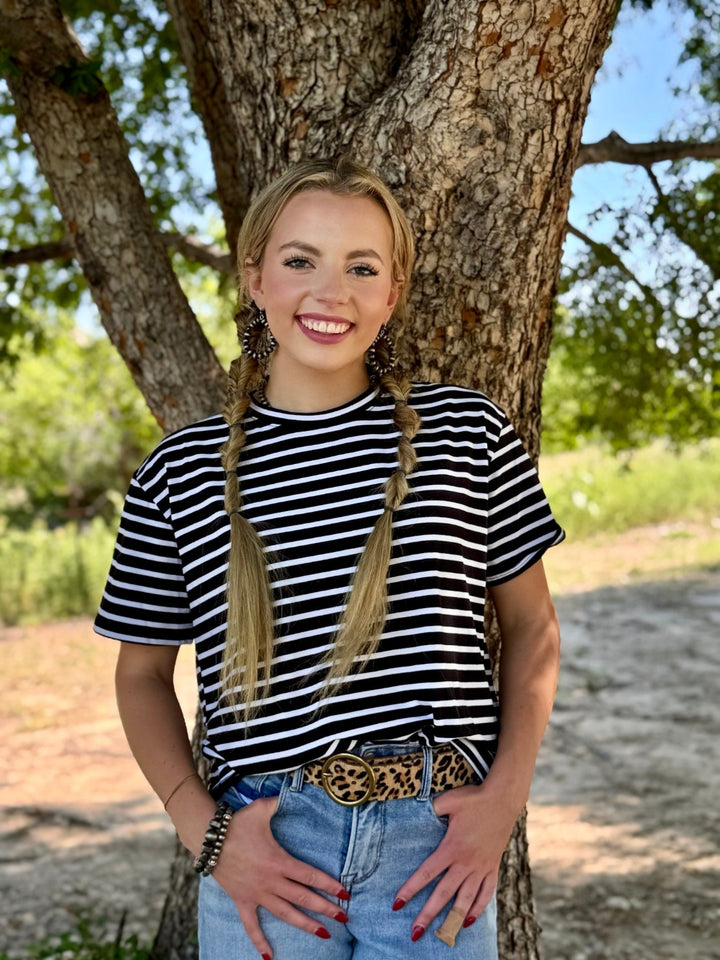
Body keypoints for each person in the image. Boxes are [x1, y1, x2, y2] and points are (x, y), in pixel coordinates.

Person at [94, 156, 564, 960]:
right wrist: (207, 837)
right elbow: (141, 677)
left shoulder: (467, 436)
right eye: (300, 260)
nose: (330, 292)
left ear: (393, 290)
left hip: (436, 847)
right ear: (256, 278)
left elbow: (533, 631)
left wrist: (502, 804)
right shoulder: (182, 472)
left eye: (362, 267)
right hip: (268, 850)